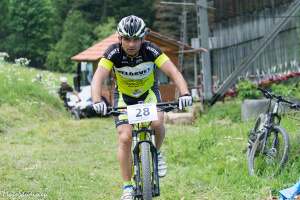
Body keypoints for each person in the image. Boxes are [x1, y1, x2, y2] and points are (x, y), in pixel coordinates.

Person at [91, 15, 192, 200]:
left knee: (157, 123)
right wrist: (97, 100)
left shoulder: (151, 50)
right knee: (125, 137)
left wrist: (185, 93)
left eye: (136, 39)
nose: (131, 44)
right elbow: (98, 77)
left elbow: (173, 72)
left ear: (143, 38)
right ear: (119, 38)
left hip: (148, 94)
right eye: (127, 39)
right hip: (124, 97)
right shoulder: (113, 53)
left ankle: (157, 153)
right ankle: (127, 186)